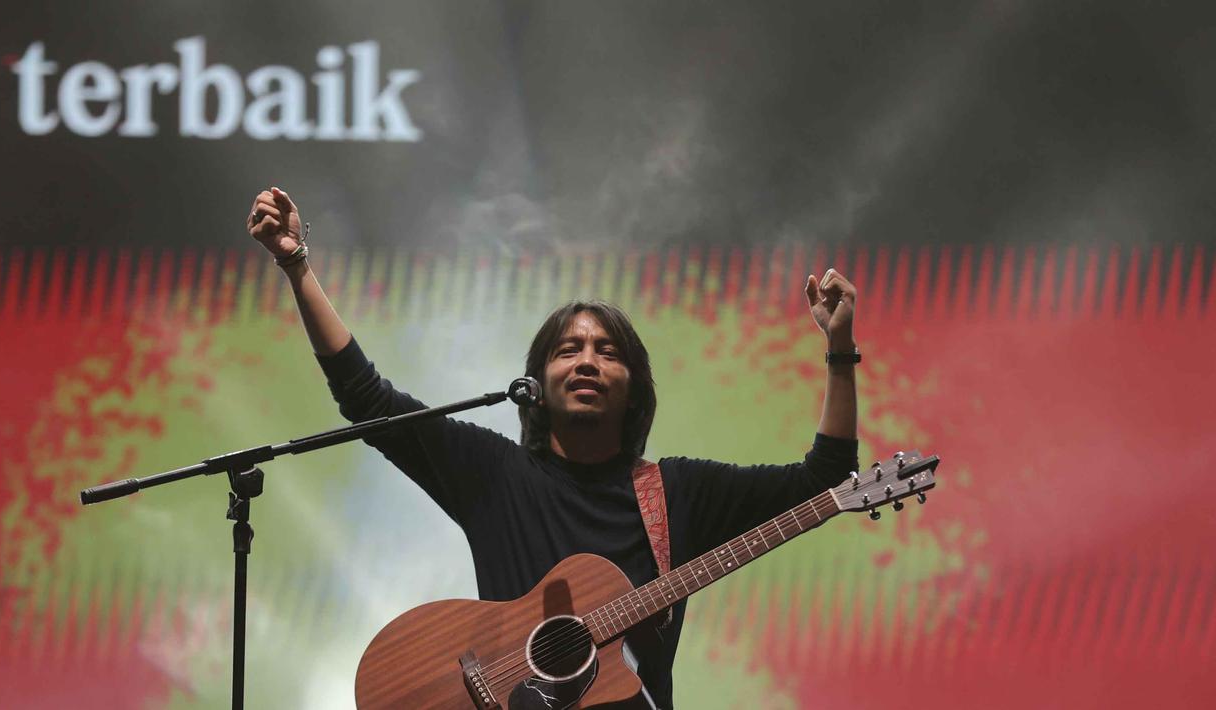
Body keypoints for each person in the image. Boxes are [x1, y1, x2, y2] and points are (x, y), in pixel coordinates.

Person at [246, 187, 860, 709]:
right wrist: (298, 267)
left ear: (634, 389)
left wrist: (838, 349)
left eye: (608, 351)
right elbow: (367, 400)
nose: (588, 361)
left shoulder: (676, 493)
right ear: (536, 384)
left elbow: (828, 478)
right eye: (569, 350)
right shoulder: (494, 473)